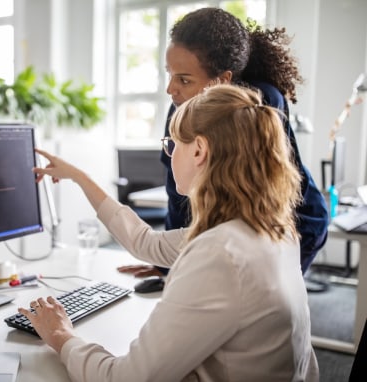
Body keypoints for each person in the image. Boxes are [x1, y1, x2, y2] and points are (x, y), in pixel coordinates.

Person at [19, 84, 319, 382]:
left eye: (172, 144)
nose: (169, 155)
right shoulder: (268, 228)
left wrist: (61, 336)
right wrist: (80, 178)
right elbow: (146, 242)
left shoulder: (221, 254)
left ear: (199, 150)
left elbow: (126, 379)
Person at [118, 7, 328, 278]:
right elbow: (178, 194)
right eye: (169, 74)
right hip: (233, 232)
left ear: (223, 79)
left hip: (291, 225)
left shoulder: (259, 104)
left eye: (184, 79)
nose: (171, 89)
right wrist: (167, 263)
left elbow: (255, 200)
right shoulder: (180, 107)